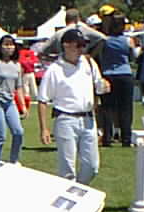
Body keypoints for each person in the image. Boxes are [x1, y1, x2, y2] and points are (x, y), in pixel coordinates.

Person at [38, 29, 110, 185]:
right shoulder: (54, 70)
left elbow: (99, 86)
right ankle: (69, 199)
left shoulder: (89, 63)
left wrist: (104, 86)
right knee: (67, 170)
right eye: (78, 45)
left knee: (92, 166)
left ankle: (77, 190)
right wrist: (44, 128)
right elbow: (43, 100)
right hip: (65, 120)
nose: (81, 49)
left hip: (88, 119)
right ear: (66, 45)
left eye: (83, 46)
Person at [0, 35, 27, 164]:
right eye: (6, 45)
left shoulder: (17, 65)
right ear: (0, 47)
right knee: (0, 134)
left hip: (10, 101)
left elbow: (18, 87)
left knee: (18, 131)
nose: (9, 48)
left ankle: (14, 160)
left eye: (11, 45)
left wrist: (23, 106)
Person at [99, 12, 139, 147]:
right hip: (125, 74)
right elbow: (133, 57)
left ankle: (107, 138)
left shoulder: (105, 40)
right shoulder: (128, 40)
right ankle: (126, 139)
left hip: (108, 74)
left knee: (108, 108)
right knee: (126, 108)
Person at [40, 8, 106, 58]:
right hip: (81, 64)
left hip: (63, 65)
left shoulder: (58, 34)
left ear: (65, 20)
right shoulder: (85, 30)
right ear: (78, 19)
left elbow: (41, 51)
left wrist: (55, 59)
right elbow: (103, 38)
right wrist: (91, 56)